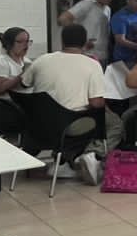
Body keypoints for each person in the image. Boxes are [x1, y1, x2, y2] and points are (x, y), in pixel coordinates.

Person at [19, 23, 107, 183]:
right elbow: (95, 103)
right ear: (85, 42)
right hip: (69, 126)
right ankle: (91, 155)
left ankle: (63, 162)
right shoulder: (92, 65)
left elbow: (24, 83)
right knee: (113, 122)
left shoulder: (42, 59)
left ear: (62, 40)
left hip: (36, 125)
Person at [58, 0, 112, 64]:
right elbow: (63, 19)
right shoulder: (86, 4)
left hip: (103, 55)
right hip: (87, 54)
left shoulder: (107, 9)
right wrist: (78, 40)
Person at [0, 27, 32, 96]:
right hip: (8, 102)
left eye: (27, 41)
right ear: (9, 44)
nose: (26, 45)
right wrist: (23, 74)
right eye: (20, 42)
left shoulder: (27, 61)